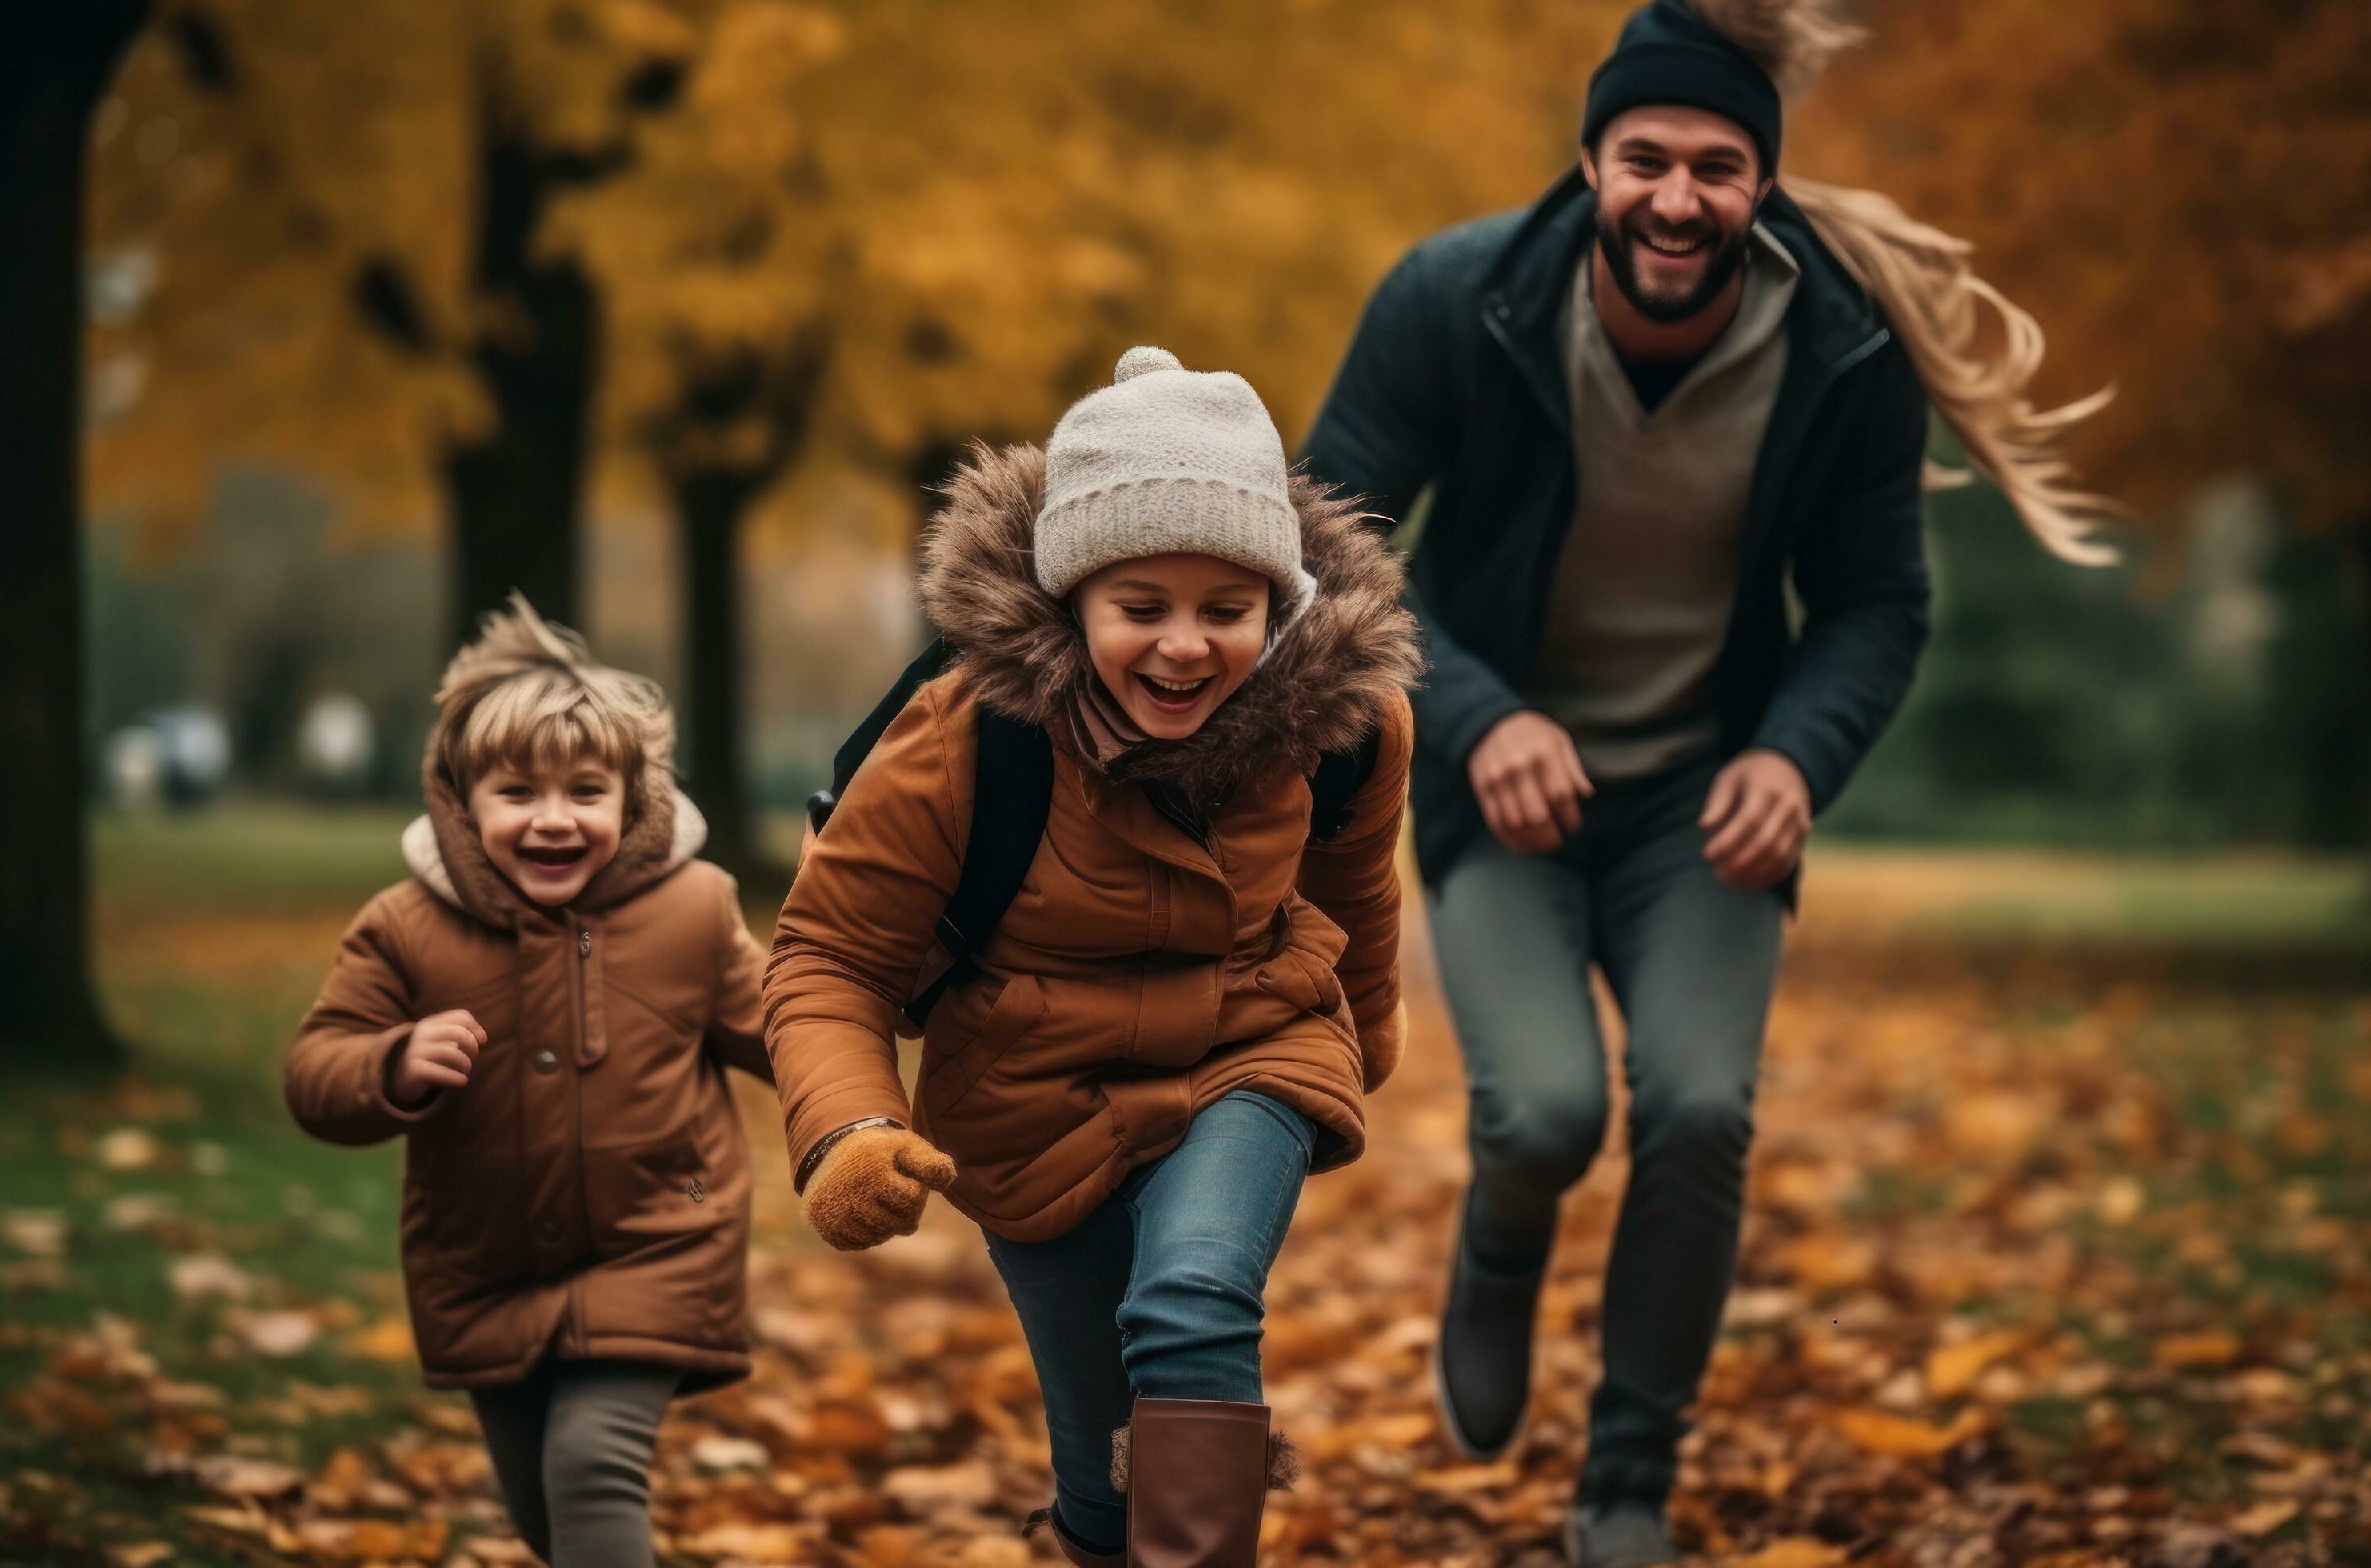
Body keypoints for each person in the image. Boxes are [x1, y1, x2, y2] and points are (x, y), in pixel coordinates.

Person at [1301, 2, 2113, 1561]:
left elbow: (1877, 601)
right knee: (1540, 1112)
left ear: (1763, 186)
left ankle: (1624, 1485)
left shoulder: (1839, 344)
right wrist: (1472, 717)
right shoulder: (1453, 298)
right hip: (1503, 795)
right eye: (1646, 159)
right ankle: (1497, 1241)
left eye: (1720, 167)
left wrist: (1790, 756)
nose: (1678, 198)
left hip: (1700, 801)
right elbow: (1316, 544)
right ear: (1589, 162)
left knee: (1692, 1108)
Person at [764, 346, 1420, 1566]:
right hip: (1030, 1105)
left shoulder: (1343, 721)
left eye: (1226, 611)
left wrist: (1367, 1022)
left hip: (1249, 1054)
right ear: (1073, 601)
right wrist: (848, 1128)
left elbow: (1352, 885)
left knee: (1191, 1305)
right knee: (1111, 1487)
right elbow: (826, 957)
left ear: (1277, 606)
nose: (1184, 648)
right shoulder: (969, 737)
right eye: (1142, 609)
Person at [284, 596, 772, 1568]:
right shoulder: (405, 925)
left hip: (662, 1241)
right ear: (461, 803)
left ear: (633, 801)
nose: (554, 819)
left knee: (592, 1464)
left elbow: (788, 1030)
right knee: (548, 1515)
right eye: (517, 794)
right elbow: (313, 1068)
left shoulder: (692, 909)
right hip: (484, 1265)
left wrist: (882, 1034)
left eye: (585, 792)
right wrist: (389, 1059)